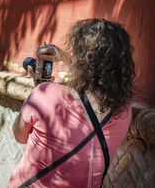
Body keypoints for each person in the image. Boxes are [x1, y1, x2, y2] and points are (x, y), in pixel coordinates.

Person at [8, 18, 135, 188]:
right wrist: (65, 58)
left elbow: (19, 135)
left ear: (81, 59)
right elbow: (97, 78)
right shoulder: (124, 111)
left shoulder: (46, 94)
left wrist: (38, 90)